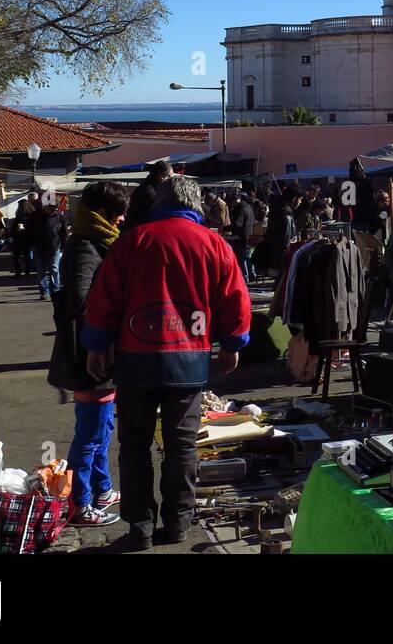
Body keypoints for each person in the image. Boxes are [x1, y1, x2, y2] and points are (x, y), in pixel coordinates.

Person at [83, 174, 251, 550]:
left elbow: (102, 298)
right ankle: (177, 523)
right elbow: (236, 298)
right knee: (182, 447)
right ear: (196, 206)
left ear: (160, 202)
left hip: (135, 360)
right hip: (188, 362)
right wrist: (232, 343)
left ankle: (140, 528)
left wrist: (96, 345)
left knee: (135, 446)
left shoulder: (133, 241)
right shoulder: (213, 244)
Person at [47, 181, 129, 525]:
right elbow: (81, 302)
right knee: (90, 436)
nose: (123, 219)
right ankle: (80, 505)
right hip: (89, 356)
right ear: (104, 214)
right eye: (118, 213)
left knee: (103, 427)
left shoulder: (96, 242)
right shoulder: (85, 248)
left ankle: (103, 489)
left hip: (100, 352)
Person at [31, 193, 69, 301]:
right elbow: (29, 232)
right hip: (39, 247)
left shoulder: (59, 216)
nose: (54, 211)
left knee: (54, 269)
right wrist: (32, 245)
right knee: (41, 270)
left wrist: (63, 245)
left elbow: (63, 232)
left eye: (56, 209)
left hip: (54, 246)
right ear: (46, 206)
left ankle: (56, 289)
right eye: (52, 209)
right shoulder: (35, 216)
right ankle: (44, 291)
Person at [126, 159, 172, 229]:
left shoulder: (149, 187)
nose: (171, 180)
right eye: (169, 177)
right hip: (138, 230)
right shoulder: (150, 193)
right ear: (161, 176)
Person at [9, 196, 36, 278]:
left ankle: (18, 272)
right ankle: (27, 272)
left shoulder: (20, 213)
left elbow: (14, 226)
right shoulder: (32, 213)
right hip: (28, 238)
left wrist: (12, 234)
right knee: (26, 256)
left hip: (19, 238)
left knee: (17, 256)